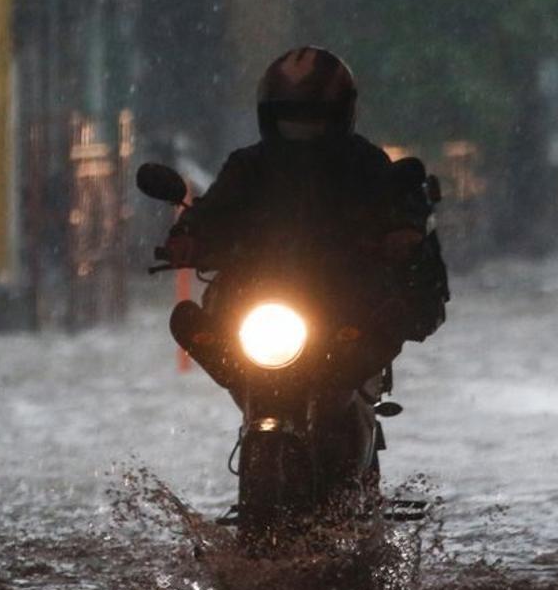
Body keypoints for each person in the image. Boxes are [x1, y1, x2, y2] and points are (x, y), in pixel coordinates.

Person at [162, 46, 447, 404]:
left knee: (387, 314)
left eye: (315, 119)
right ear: (269, 116)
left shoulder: (366, 163)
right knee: (197, 315)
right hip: (263, 294)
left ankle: (351, 411)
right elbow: (215, 208)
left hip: (343, 298)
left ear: (341, 115)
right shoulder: (248, 166)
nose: (302, 130)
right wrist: (188, 235)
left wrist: (402, 234)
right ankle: (248, 388)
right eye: (291, 119)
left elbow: (399, 204)